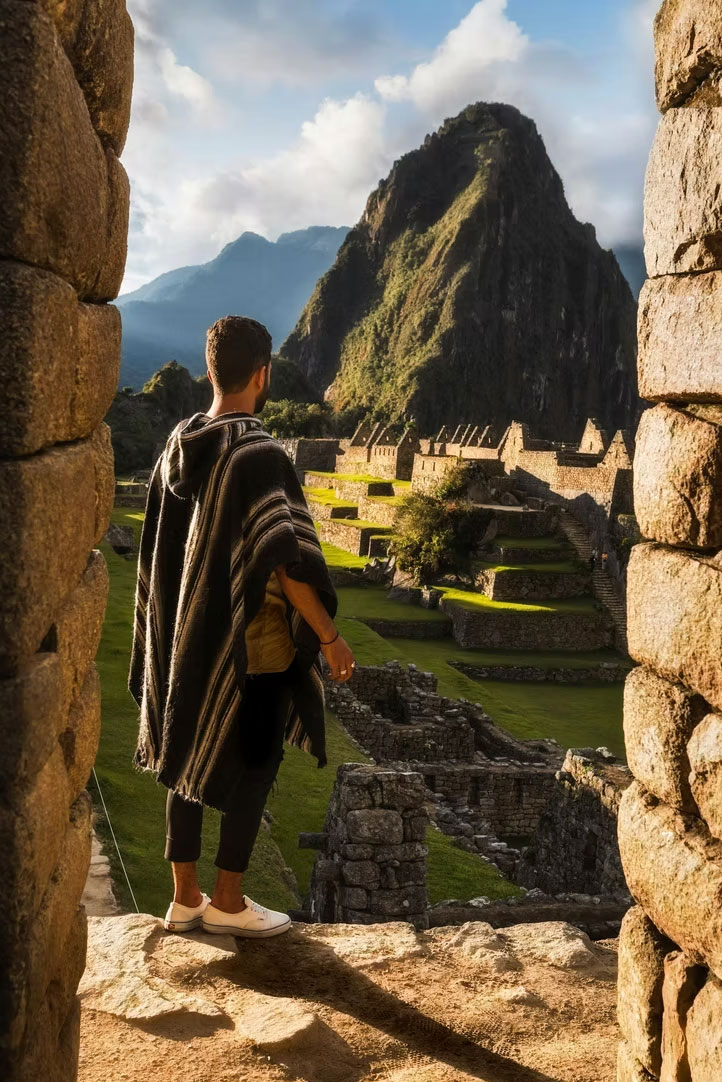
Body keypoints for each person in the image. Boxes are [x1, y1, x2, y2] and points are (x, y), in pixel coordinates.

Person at [128, 315, 356, 939]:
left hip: (189, 637)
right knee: (255, 760)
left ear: (209, 371)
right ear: (263, 374)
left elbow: (164, 553)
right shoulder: (259, 453)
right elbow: (285, 563)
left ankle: (185, 897)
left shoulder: (179, 444)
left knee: (186, 746)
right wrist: (330, 637)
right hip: (255, 644)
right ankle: (229, 901)